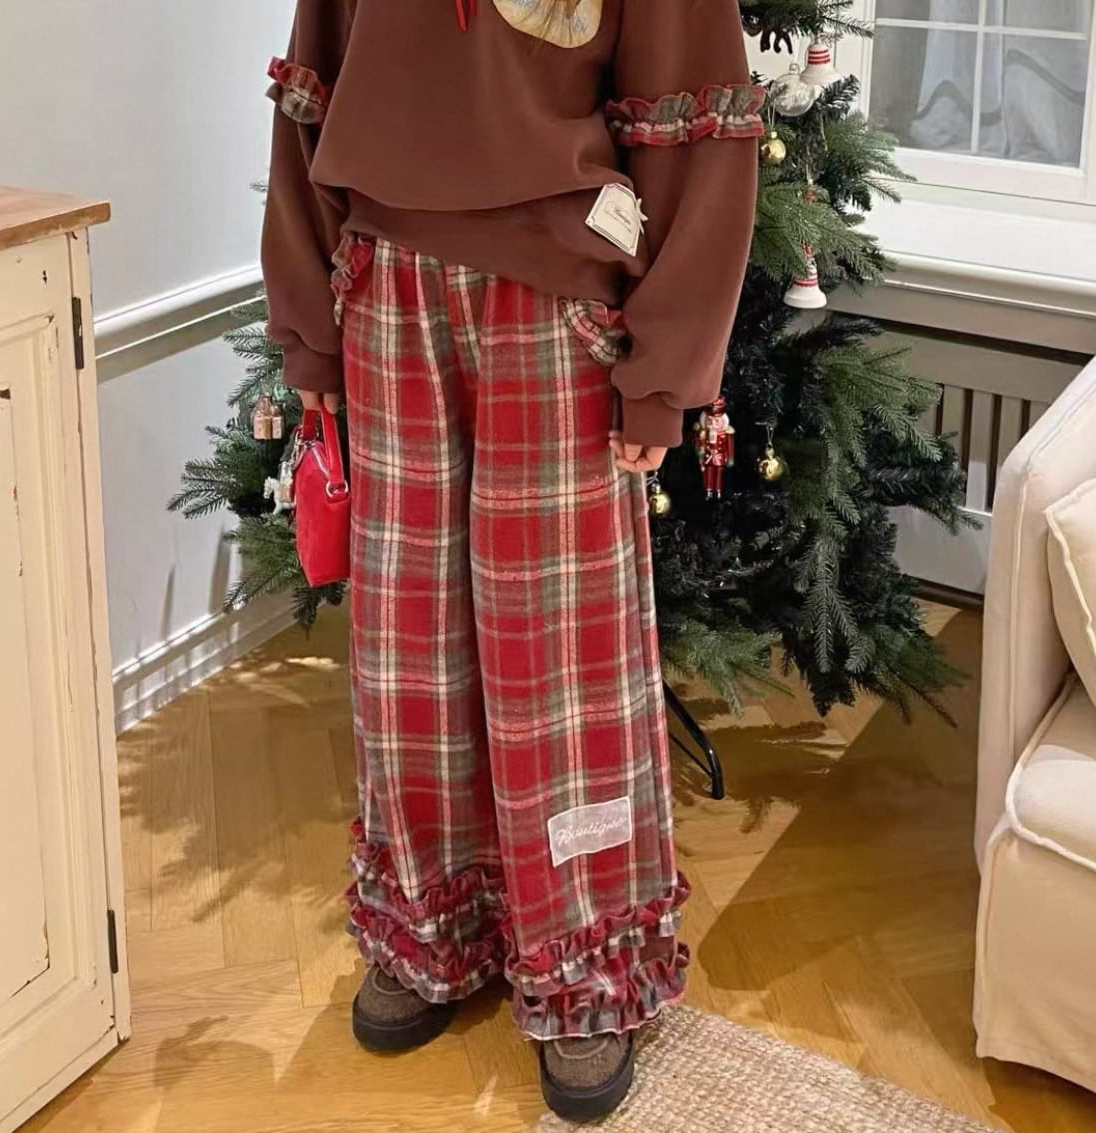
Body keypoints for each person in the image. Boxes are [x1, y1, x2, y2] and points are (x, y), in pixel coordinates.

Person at [262, 1, 762, 1121]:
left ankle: (583, 959)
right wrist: (308, 327)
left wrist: (663, 370)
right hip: (383, 286)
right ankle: (429, 920)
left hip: (557, 303)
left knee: (563, 660)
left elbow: (699, 121)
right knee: (406, 644)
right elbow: (313, 89)